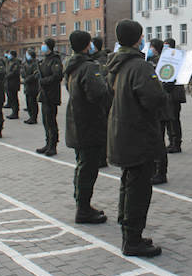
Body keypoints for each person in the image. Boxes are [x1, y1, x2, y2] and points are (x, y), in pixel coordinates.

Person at [106, 19, 164, 257]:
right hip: (138, 136)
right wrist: (163, 89)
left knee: (129, 185)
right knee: (139, 189)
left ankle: (129, 231)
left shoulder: (117, 63)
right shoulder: (139, 66)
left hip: (123, 133)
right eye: (142, 36)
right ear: (138, 38)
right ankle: (132, 239)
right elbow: (153, 100)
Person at [65, 30, 110, 224]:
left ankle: (82, 204)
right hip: (89, 123)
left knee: (82, 165)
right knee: (88, 168)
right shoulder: (89, 68)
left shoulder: (71, 65)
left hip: (76, 120)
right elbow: (98, 94)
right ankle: (83, 208)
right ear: (87, 45)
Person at [146, 39, 170, 184]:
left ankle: (161, 172)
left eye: (151, 47)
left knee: (158, 142)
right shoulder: (149, 61)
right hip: (155, 106)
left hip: (160, 107)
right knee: (154, 141)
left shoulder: (161, 62)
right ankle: (155, 170)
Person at [37, 38, 63, 156]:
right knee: (45, 121)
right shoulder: (45, 60)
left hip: (51, 95)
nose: (42, 47)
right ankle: (47, 143)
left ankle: (53, 145)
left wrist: (44, 81)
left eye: (44, 45)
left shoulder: (55, 60)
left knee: (51, 121)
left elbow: (57, 76)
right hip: (44, 94)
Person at [162, 38, 186, 153]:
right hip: (168, 94)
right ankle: (172, 142)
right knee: (169, 120)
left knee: (174, 120)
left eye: (166, 45)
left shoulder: (177, 58)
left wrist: (169, 83)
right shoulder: (167, 58)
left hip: (174, 93)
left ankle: (176, 143)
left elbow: (177, 74)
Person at [21, 49, 40, 124]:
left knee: (33, 103)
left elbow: (35, 75)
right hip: (27, 86)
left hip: (33, 86)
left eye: (27, 54)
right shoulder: (25, 63)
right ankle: (30, 116)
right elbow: (23, 73)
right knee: (28, 102)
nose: (26, 55)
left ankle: (33, 117)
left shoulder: (35, 63)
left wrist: (27, 79)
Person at [5, 51, 21, 119]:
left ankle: (15, 113)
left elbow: (14, 72)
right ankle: (13, 112)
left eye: (9, 54)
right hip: (9, 82)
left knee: (14, 98)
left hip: (13, 83)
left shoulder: (16, 62)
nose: (8, 55)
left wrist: (6, 76)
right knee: (11, 97)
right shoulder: (9, 62)